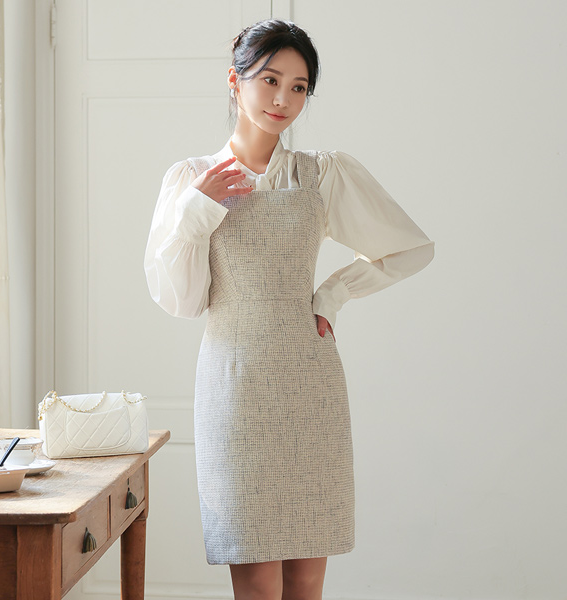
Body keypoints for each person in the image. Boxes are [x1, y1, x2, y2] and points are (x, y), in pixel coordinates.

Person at [144, 18, 434, 600]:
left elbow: (411, 247)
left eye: (299, 87)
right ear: (235, 82)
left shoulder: (322, 175)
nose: (282, 99)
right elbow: (182, 300)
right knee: (255, 583)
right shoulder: (190, 181)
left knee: (306, 582)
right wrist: (197, 211)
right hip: (235, 389)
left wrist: (333, 294)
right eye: (270, 80)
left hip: (310, 387)